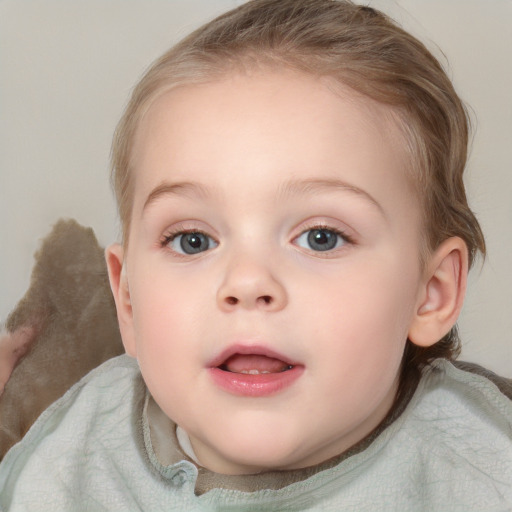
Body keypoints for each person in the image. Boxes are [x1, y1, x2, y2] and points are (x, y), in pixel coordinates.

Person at [1, 0, 511, 509]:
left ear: (431, 293)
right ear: (129, 301)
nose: (247, 282)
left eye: (321, 237)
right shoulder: (75, 456)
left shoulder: (481, 465)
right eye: (192, 240)